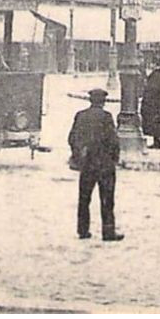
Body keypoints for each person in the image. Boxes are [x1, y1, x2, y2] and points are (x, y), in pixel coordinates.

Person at [69, 88, 123, 241]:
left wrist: (78, 156)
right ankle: (108, 232)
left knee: (84, 198)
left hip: (87, 164)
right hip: (104, 164)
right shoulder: (106, 117)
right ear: (103, 102)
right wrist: (114, 159)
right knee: (107, 200)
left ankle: (83, 230)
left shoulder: (81, 116)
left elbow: (72, 138)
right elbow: (113, 140)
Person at [141, 64, 160, 149]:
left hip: (154, 103)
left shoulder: (154, 75)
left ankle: (158, 142)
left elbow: (149, 89)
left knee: (155, 123)